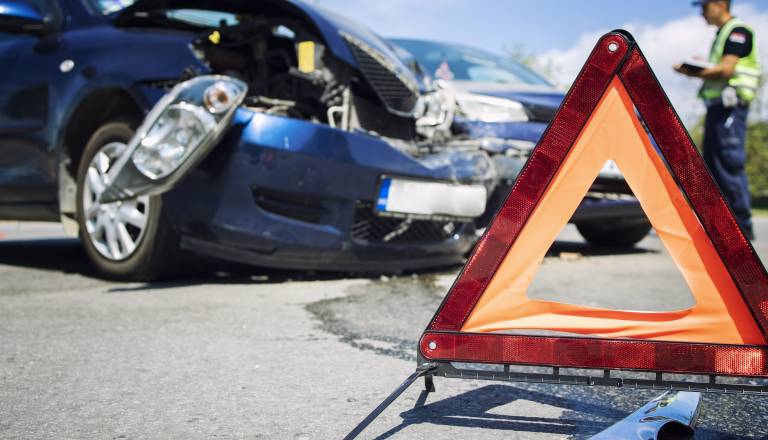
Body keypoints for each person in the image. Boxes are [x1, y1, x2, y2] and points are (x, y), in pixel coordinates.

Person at [675, 0, 761, 240]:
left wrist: (691, 70)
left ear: (720, 4)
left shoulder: (737, 31)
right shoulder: (723, 34)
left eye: (704, 7)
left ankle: (741, 228)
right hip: (718, 108)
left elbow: (726, 70)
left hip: (730, 108)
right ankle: (723, 227)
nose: (702, 13)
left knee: (728, 163)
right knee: (714, 164)